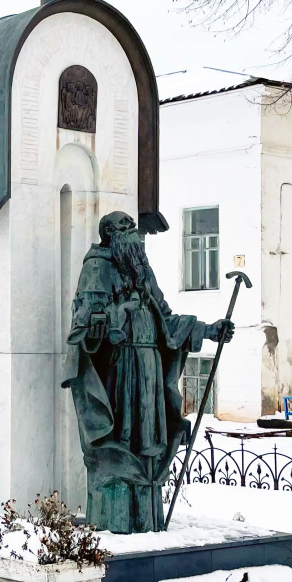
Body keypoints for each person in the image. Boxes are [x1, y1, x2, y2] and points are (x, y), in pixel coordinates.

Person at [64, 211, 234, 534]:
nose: (133, 236)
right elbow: (85, 329)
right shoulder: (97, 269)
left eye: (133, 229)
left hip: (150, 371)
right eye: (125, 229)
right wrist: (119, 311)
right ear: (110, 236)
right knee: (125, 441)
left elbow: (166, 320)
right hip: (120, 371)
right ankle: (117, 519)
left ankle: (146, 516)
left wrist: (209, 330)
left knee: (150, 442)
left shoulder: (142, 272)